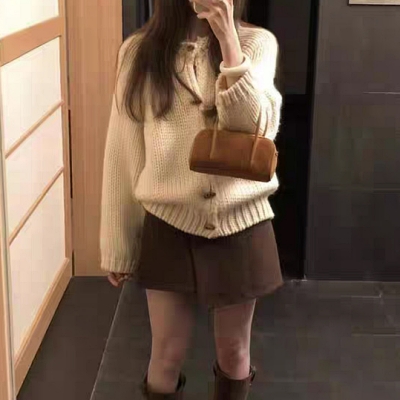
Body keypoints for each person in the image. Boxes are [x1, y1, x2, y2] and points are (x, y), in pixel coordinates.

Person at [100, 0, 283, 398]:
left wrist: (229, 42)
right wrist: (118, 242)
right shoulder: (138, 52)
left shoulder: (257, 43)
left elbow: (257, 129)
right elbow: (123, 150)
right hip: (169, 223)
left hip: (241, 221)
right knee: (165, 356)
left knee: (235, 351)